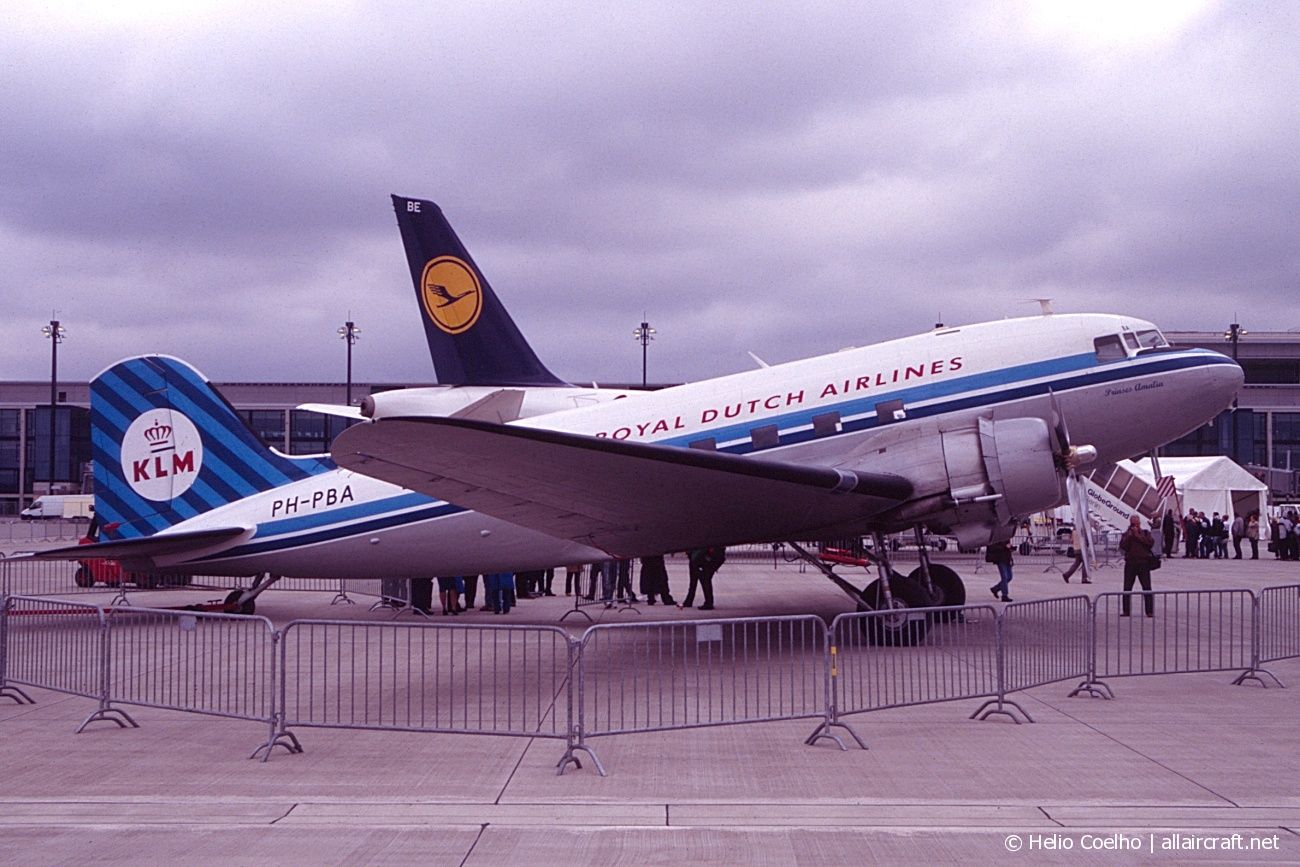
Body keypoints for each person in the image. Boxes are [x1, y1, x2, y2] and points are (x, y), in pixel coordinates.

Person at [1119, 514, 1156, 617]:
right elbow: (1123, 546)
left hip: (1143, 563)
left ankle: (1149, 611)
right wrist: (1130, 536)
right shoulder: (1126, 534)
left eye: (1137, 524)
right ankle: (1126, 610)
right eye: (1133, 524)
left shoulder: (1145, 533)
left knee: (1147, 587)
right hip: (1130, 563)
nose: (1135, 526)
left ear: (1140, 523)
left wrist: (1138, 535)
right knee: (1127, 587)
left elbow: (1150, 543)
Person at [680, 546, 725, 610]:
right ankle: (689, 600)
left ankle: (708, 602)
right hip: (701, 557)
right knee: (696, 578)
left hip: (705, 557)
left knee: (704, 579)